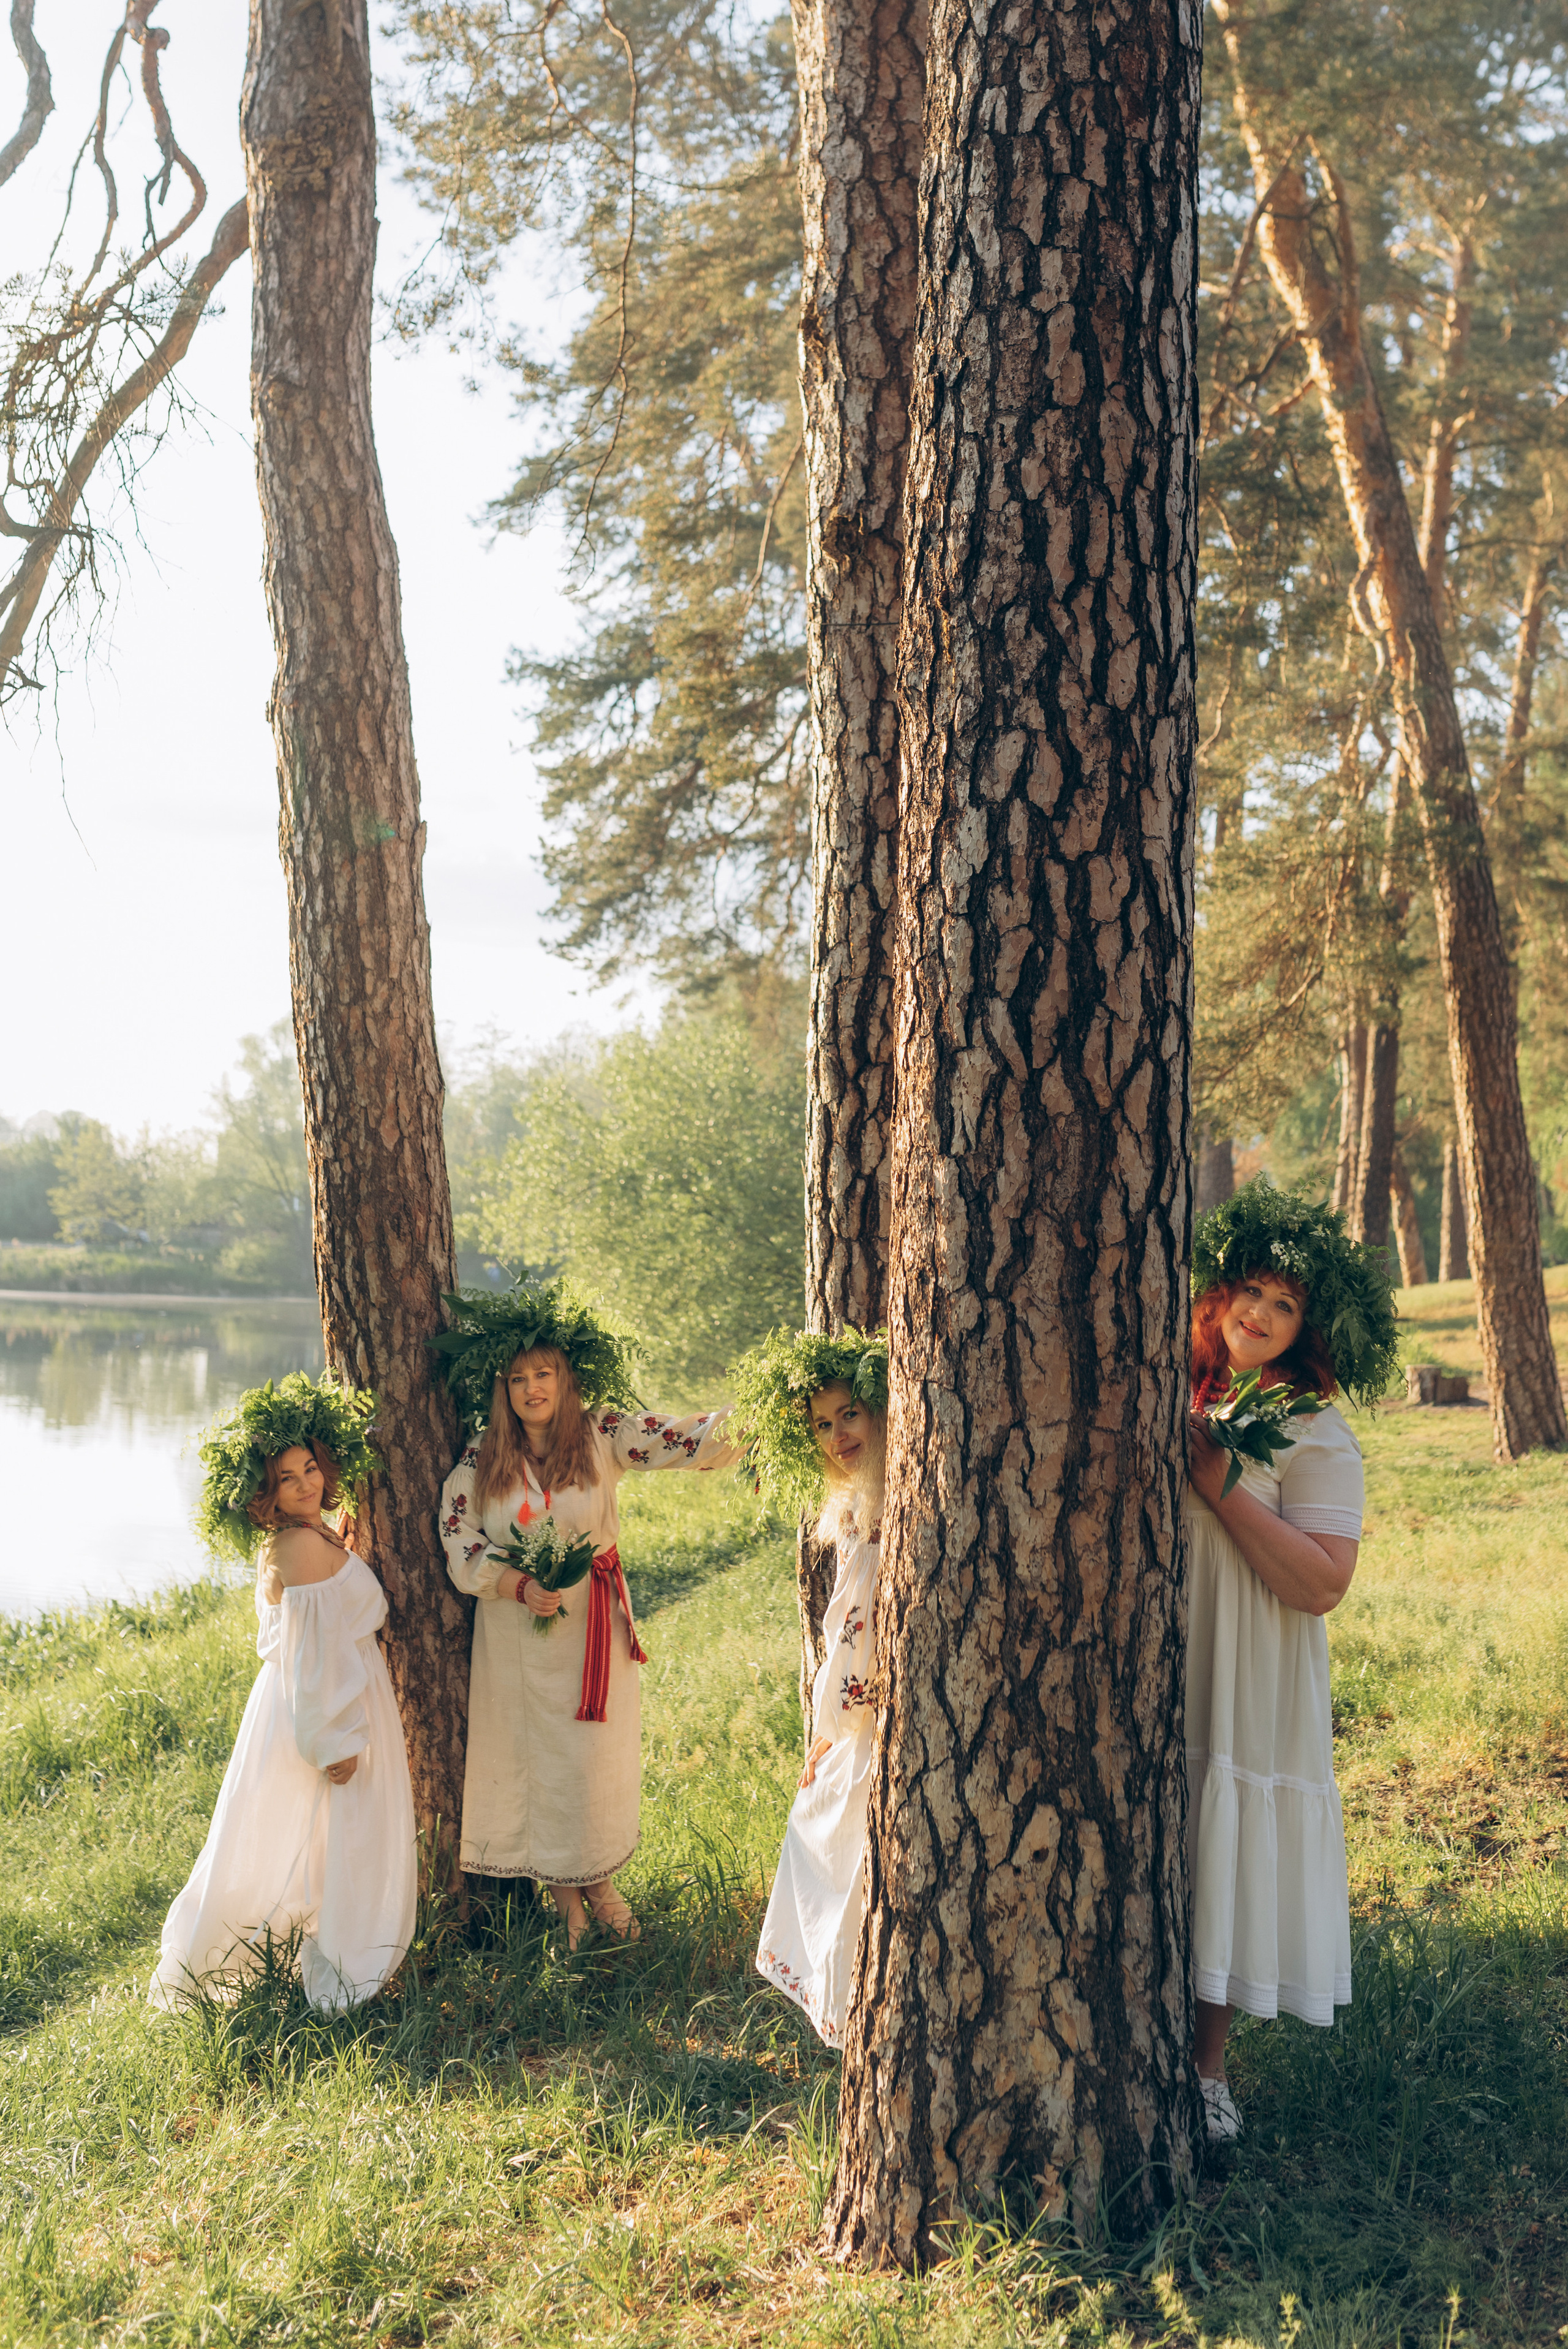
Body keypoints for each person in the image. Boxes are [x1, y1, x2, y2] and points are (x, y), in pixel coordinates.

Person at [1185, 1180, 1399, 2144]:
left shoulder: (1317, 1429)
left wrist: (1225, 1487)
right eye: (1254, 1292)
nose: (1262, 1315)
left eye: (1288, 1305)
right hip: (1169, 1652)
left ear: (1310, 1328)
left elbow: (1322, 1584)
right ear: (1219, 1294)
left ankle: (1206, 2072)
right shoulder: (1186, 1390)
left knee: (1227, 1840)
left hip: (1254, 1663)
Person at [433, 1279, 736, 1950]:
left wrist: (762, 1414)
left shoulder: (601, 1433)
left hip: (592, 1628)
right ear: (503, 1390)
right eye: (518, 1378)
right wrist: (513, 1582)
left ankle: (598, 1883)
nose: (532, 1388)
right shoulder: (482, 1457)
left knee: (587, 1759)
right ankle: (569, 1899)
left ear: (567, 1380)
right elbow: (461, 1541)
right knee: (533, 1760)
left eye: (544, 1374)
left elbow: (678, 1439)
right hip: (515, 1638)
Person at [151, 1374, 417, 2013]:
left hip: (315, 1701)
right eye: (287, 1479)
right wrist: (335, 1742)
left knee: (299, 1837)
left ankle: (321, 1942)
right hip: (324, 1711)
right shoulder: (298, 1548)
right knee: (321, 1834)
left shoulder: (309, 1536)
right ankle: (341, 1961)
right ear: (264, 1493)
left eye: (310, 1469)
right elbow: (314, 1659)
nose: (306, 1484)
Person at [734, 1327, 888, 2049]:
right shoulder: (851, 1506)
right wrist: (825, 1732)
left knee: (856, 1862)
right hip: (854, 1715)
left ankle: (864, 2011)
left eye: (849, 1414)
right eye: (823, 1425)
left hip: (881, 1712)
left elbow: (865, 1629)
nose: (837, 1434)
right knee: (818, 1832)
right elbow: (841, 1636)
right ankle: (851, 2014)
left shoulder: (893, 1503)